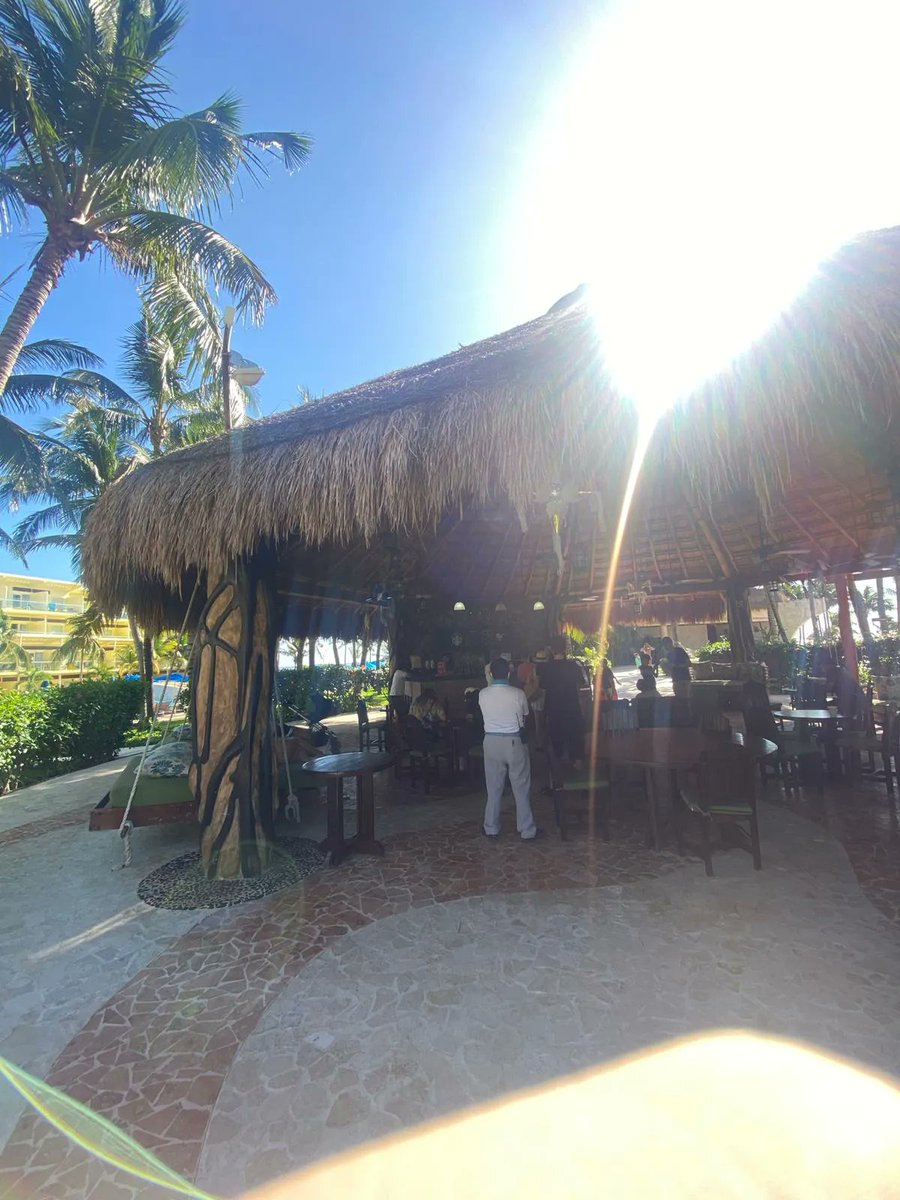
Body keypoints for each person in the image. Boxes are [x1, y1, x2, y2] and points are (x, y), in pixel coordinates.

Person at [478, 657, 539, 840]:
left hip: (490, 742)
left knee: (494, 787)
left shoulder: (483, 694)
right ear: (509, 673)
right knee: (521, 787)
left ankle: (491, 827)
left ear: (490, 674)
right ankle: (527, 829)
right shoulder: (518, 693)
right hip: (513, 742)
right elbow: (525, 716)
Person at [538, 635, 586, 767]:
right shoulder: (573, 665)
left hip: (553, 707)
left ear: (552, 650)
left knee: (556, 736)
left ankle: (558, 770)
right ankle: (577, 767)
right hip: (572, 705)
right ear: (565, 649)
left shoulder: (546, 668)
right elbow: (581, 686)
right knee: (575, 735)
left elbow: (542, 688)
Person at [389, 654, 412, 718]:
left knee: (401, 713)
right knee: (404, 712)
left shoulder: (397, 672)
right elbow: (409, 675)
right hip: (397, 696)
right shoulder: (400, 673)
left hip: (395, 696)